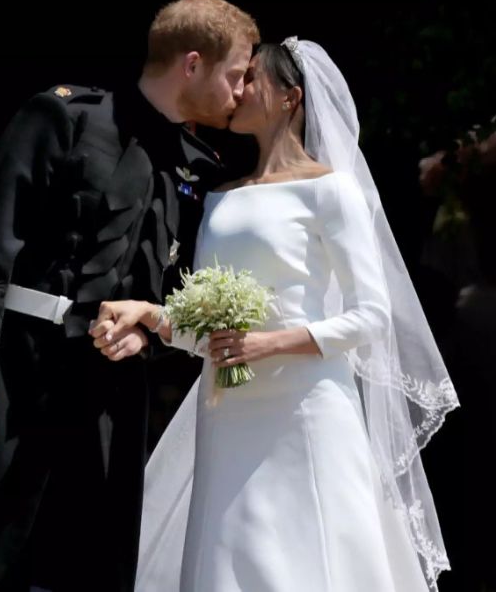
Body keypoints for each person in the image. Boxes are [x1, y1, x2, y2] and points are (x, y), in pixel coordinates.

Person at [0, 0, 259, 592]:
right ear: (192, 65)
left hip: (112, 390)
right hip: (21, 366)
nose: (241, 90)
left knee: (89, 559)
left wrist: (148, 337)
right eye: (235, 73)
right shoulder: (63, 117)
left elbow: (179, 292)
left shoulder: (195, 166)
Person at [91, 39, 459, 591]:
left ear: (290, 98)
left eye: (253, 80)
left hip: (305, 406)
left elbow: (371, 316)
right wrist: (151, 314)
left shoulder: (330, 191)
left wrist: (270, 343)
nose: (238, 91)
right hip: (227, 410)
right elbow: (207, 331)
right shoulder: (220, 197)